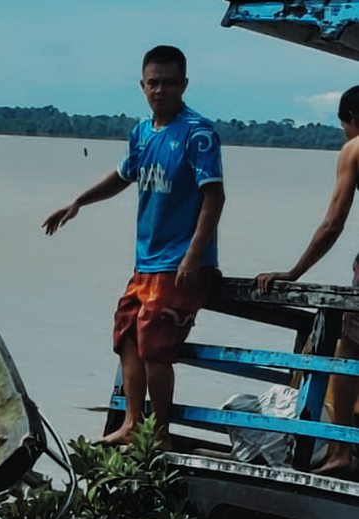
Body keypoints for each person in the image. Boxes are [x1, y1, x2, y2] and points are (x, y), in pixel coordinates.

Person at [43, 45, 225, 449]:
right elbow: (122, 175)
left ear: (184, 85)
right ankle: (131, 422)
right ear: (142, 85)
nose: (161, 90)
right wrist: (78, 202)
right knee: (126, 333)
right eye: (154, 82)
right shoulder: (143, 133)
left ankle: (158, 434)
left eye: (170, 83)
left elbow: (214, 197)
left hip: (180, 263)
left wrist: (195, 254)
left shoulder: (198, 134)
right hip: (147, 261)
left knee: (156, 349)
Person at [255, 86, 359, 476]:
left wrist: (294, 272)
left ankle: (340, 452)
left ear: (352, 119)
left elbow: (334, 222)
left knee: (348, 353)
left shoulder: (355, 148)